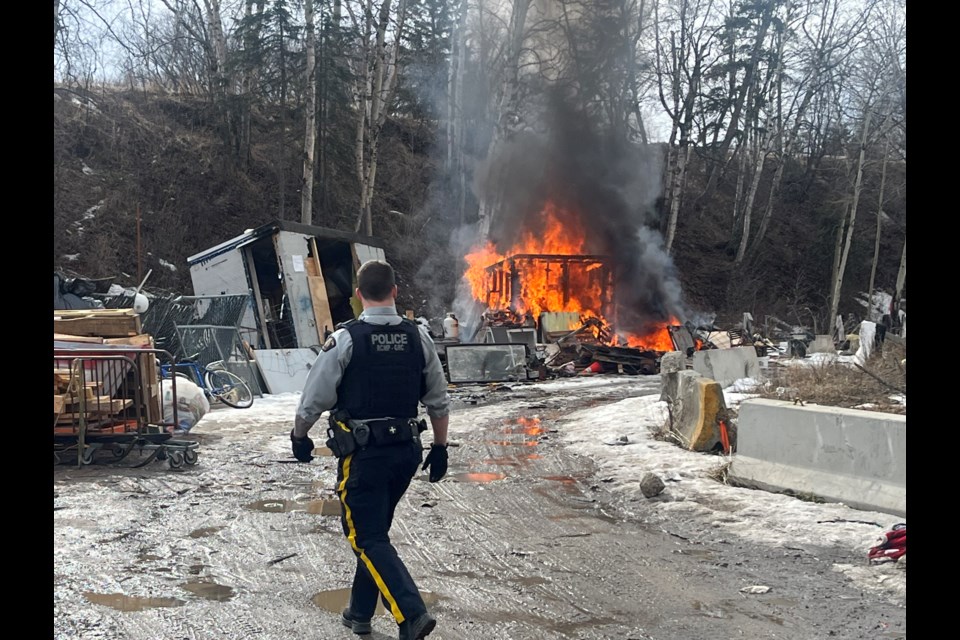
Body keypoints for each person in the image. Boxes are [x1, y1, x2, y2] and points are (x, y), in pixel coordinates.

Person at [290, 260, 449, 640]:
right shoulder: (418, 337)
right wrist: (441, 448)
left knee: (365, 536)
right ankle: (359, 613)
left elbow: (314, 399)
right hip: (406, 454)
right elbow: (439, 400)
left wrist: (299, 436)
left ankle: (410, 614)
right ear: (395, 291)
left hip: (365, 456)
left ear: (358, 297)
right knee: (374, 530)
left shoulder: (346, 339)